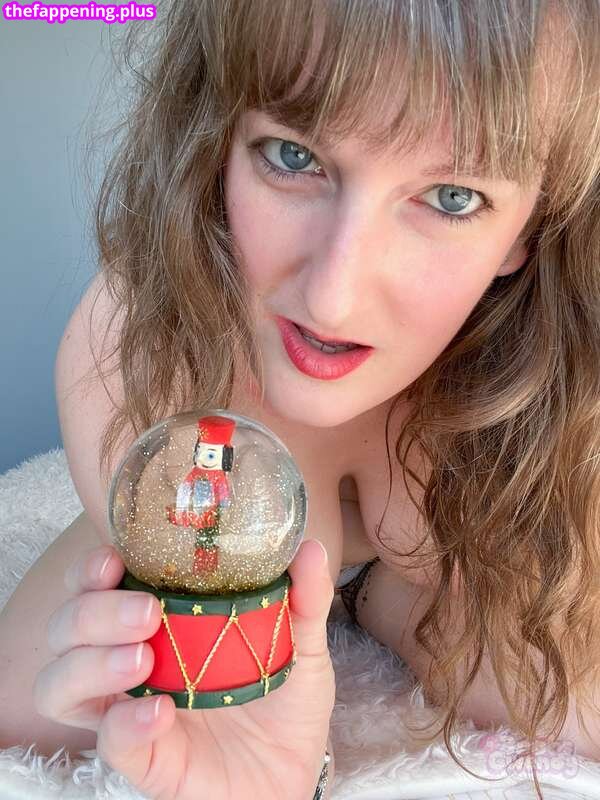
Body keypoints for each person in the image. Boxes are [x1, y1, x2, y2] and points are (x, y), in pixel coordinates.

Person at [1, 0, 599, 798]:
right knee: (34, 701)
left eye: (452, 197)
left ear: (533, 224)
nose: (333, 298)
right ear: (214, 139)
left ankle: (381, 595)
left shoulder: (557, 384)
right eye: (293, 156)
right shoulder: (135, 359)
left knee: (567, 705)